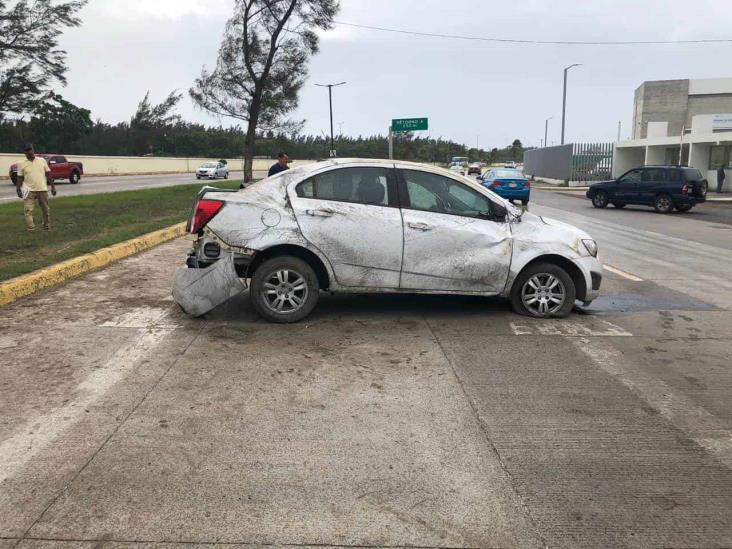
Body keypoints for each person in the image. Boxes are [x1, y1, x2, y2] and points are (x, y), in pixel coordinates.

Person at [16, 144, 55, 231]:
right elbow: (20, 177)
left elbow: (48, 173)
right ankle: (31, 228)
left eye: (30, 149)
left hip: (42, 188)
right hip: (27, 190)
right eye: (27, 150)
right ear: (24, 152)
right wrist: (18, 189)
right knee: (28, 210)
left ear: (33, 150)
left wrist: (52, 187)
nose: (29, 152)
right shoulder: (21, 163)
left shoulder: (42, 160)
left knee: (45, 209)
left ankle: (46, 226)